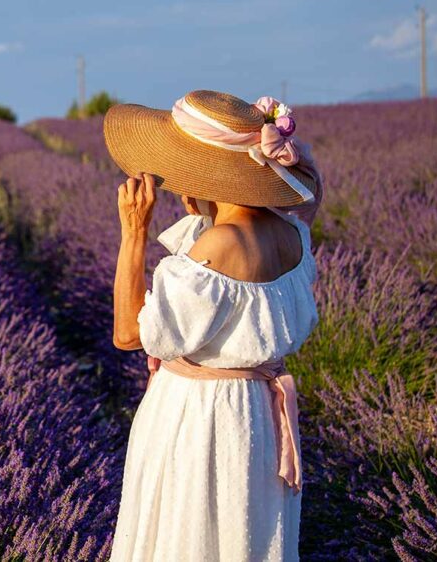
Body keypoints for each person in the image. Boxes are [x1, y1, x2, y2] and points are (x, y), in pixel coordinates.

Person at [102, 90, 324, 561]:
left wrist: (133, 232)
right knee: (244, 534)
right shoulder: (294, 235)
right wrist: (203, 209)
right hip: (259, 417)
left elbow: (128, 333)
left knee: (188, 535)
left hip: (200, 419)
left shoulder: (214, 249)